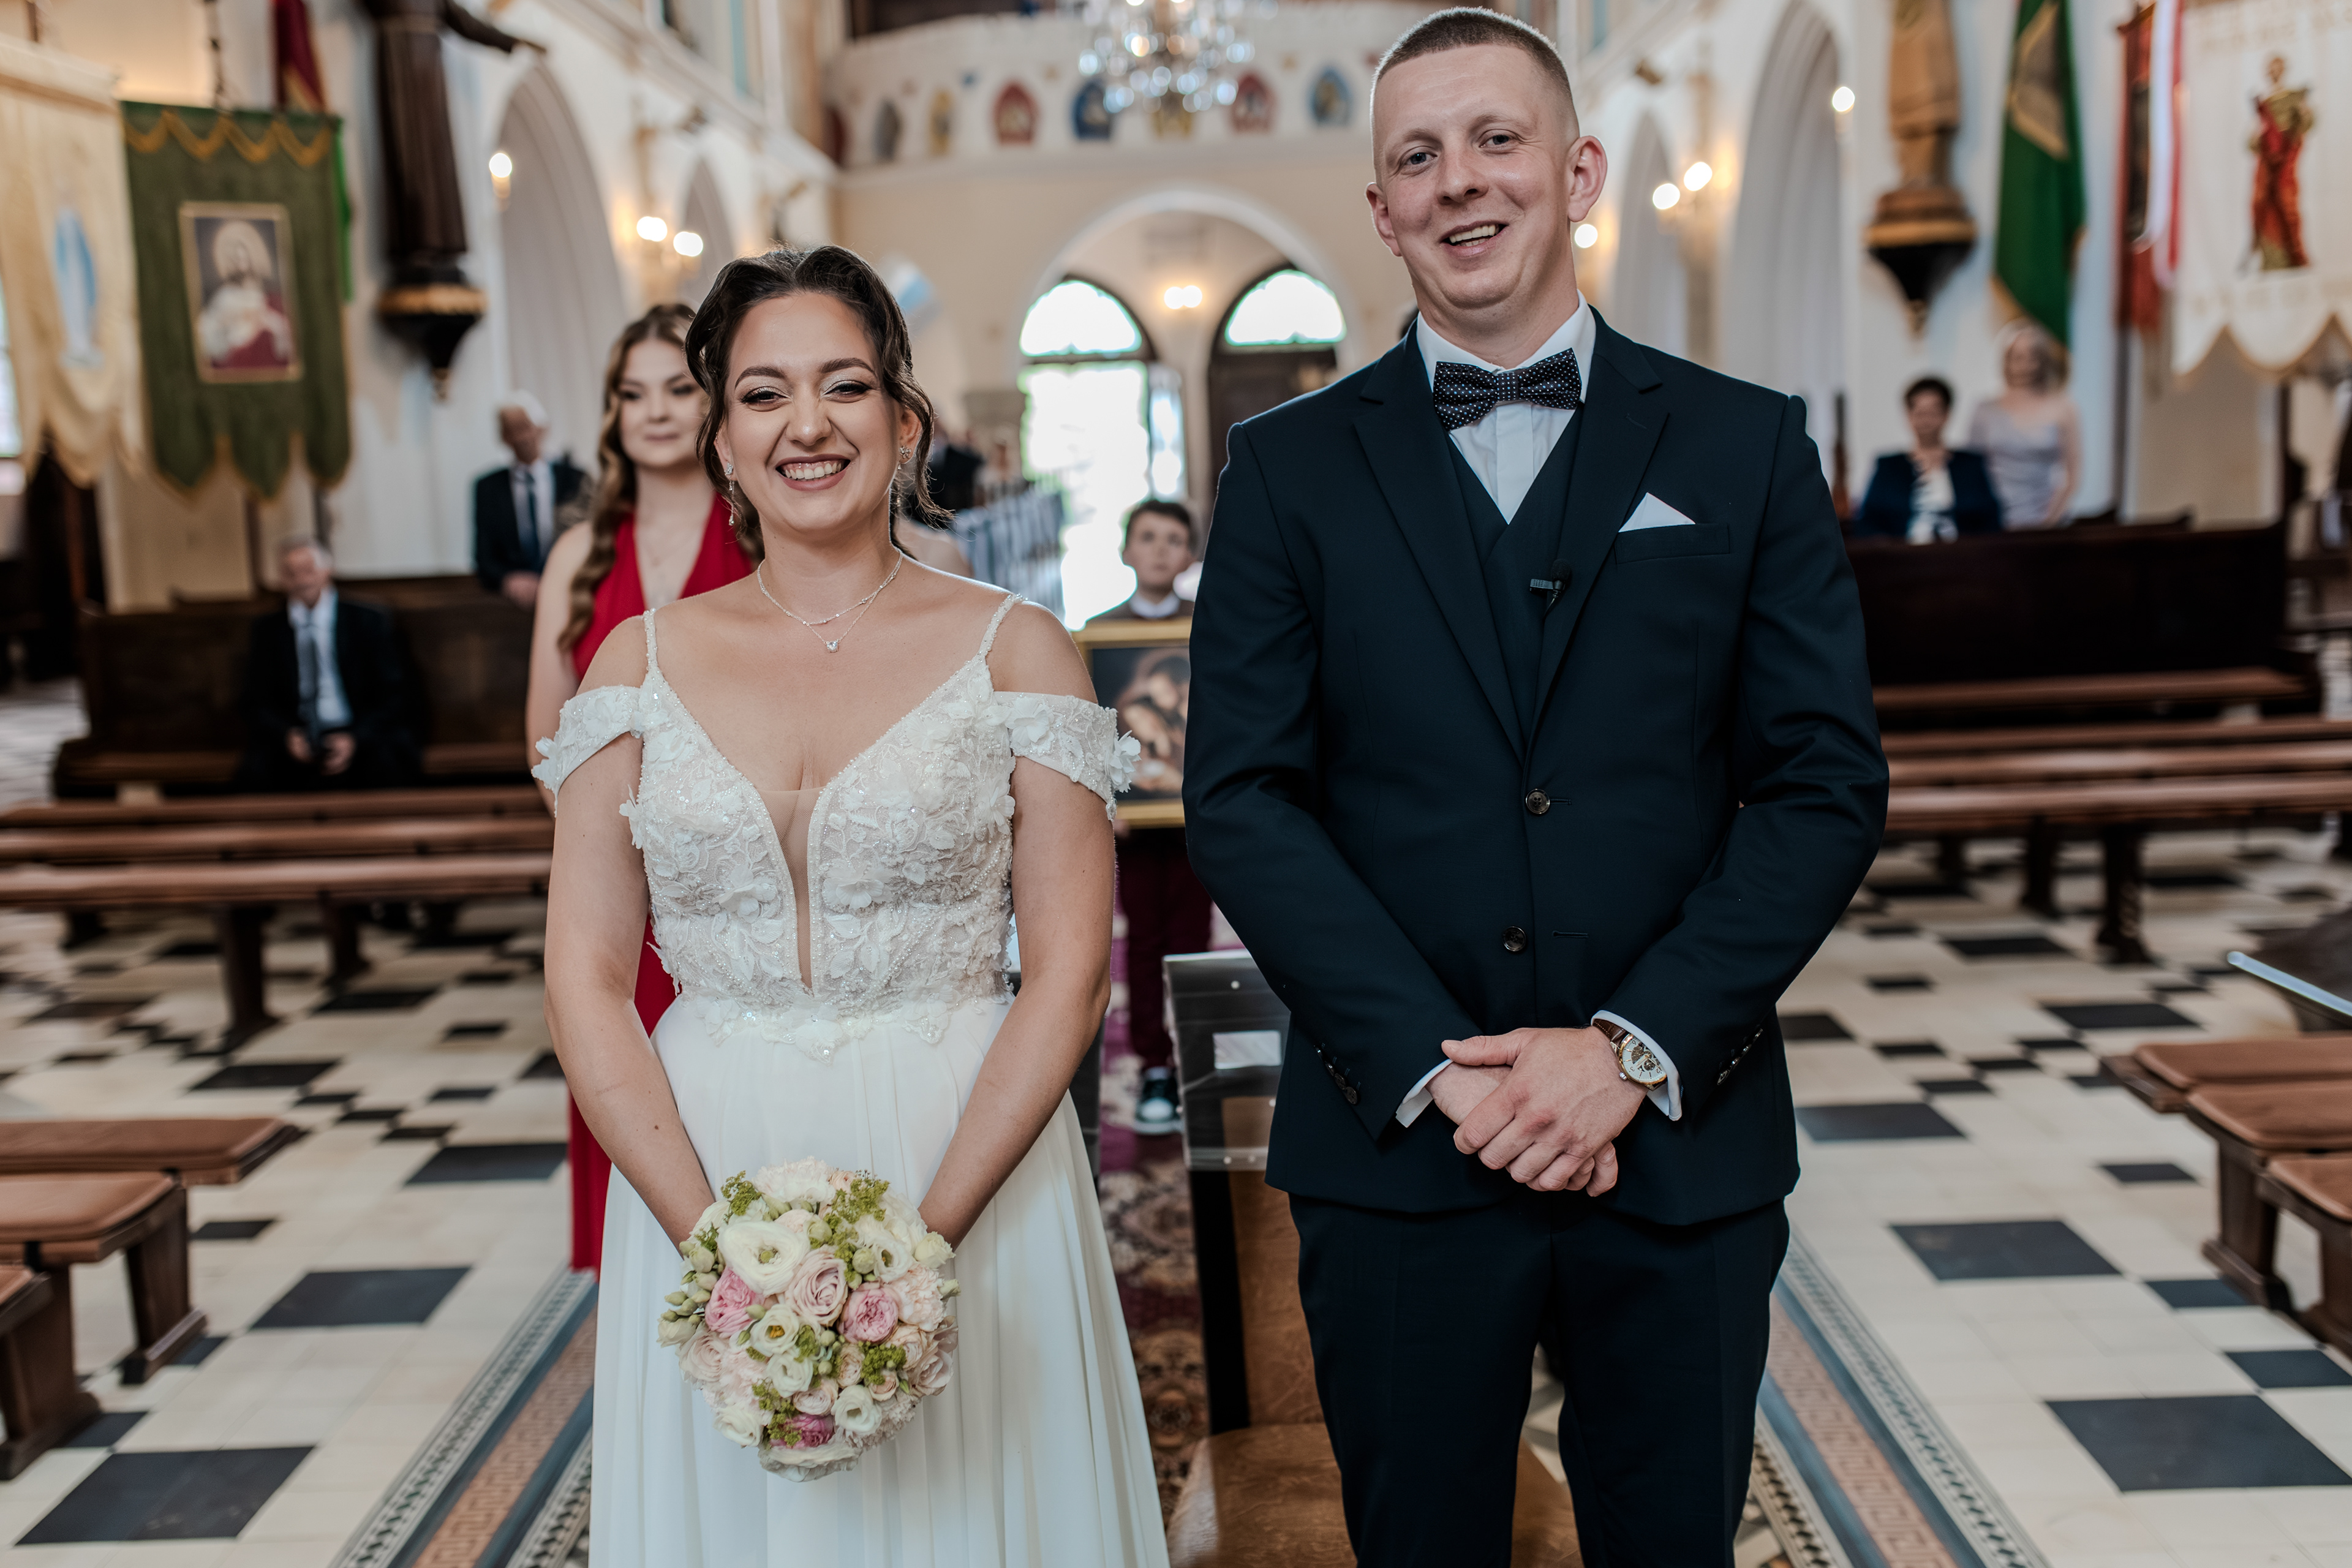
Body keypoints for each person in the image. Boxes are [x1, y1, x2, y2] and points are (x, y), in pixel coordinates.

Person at [1182, 12, 1887, 1566]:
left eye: (1496, 139)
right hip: (1401, 1144)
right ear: (1380, 210)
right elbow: (1242, 797)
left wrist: (1632, 1046)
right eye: (1416, 156)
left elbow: (1822, 783)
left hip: (1679, 1137)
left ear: (1576, 172)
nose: (1460, 181)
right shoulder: (1285, 469)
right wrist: (1447, 1073)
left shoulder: (1745, 444)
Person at [537, 246, 1164, 1565]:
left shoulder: (1018, 648)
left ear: (904, 418)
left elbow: (1067, 973)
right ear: (721, 439)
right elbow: (585, 978)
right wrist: (718, 1253)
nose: (806, 425)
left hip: (968, 1150)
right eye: (763, 394)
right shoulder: (635, 662)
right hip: (702, 1156)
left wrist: (918, 1251)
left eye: (844, 385)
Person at [525, 304, 753, 1273]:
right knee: (623, 1077)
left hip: (739, 886)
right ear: (611, 414)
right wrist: (619, 853)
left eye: (677, 389)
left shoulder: (760, 533)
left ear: (714, 404)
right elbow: (549, 738)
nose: (655, 412)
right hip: (620, 886)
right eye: (632, 394)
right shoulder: (579, 553)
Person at [1088, 500, 1210, 1135]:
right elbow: (1091, 732)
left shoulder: (1211, 623)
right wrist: (1109, 802)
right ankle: (1154, 1063)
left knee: (1192, 936)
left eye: (1174, 539)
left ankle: (1193, 1058)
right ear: (1126, 551)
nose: (1161, 549)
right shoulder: (1100, 634)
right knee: (1142, 940)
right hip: (1135, 825)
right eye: (1148, 537)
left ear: (1190, 555)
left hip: (1196, 819)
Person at [236, 537, 420, 791]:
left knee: (389, 765)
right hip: (296, 732)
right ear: (281, 578)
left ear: (328, 570)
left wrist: (355, 739)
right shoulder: (268, 630)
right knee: (254, 775)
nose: (301, 580)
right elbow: (255, 700)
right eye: (291, 573)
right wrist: (287, 736)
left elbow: (394, 693)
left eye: (308, 570)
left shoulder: (368, 621)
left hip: (359, 729)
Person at [475, 393, 589, 607]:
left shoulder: (575, 479)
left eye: (525, 427)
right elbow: (484, 555)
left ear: (542, 428)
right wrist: (508, 578)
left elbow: (589, 539)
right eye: (511, 430)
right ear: (503, 437)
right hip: (514, 602)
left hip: (571, 594)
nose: (520, 437)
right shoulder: (489, 488)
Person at [1855, 375, 2002, 540]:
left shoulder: (1970, 465)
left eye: (1933, 413)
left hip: (1962, 553)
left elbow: (1990, 518)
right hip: (1902, 553)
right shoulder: (1889, 467)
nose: (1926, 421)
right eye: (1920, 413)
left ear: (1946, 414)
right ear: (1909, 415)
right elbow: (1869, 522)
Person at [1967, 321, 2081, 529]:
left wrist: (2050, 523)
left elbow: (2072, 476)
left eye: (2033, 357)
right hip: (1992, 523)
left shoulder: (2064, 409)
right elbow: (1971, 473)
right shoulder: (1984, 411)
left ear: (2043, 361)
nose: (2025, 366)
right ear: (2006, 361)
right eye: (2018, 358)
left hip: (2046, 521)